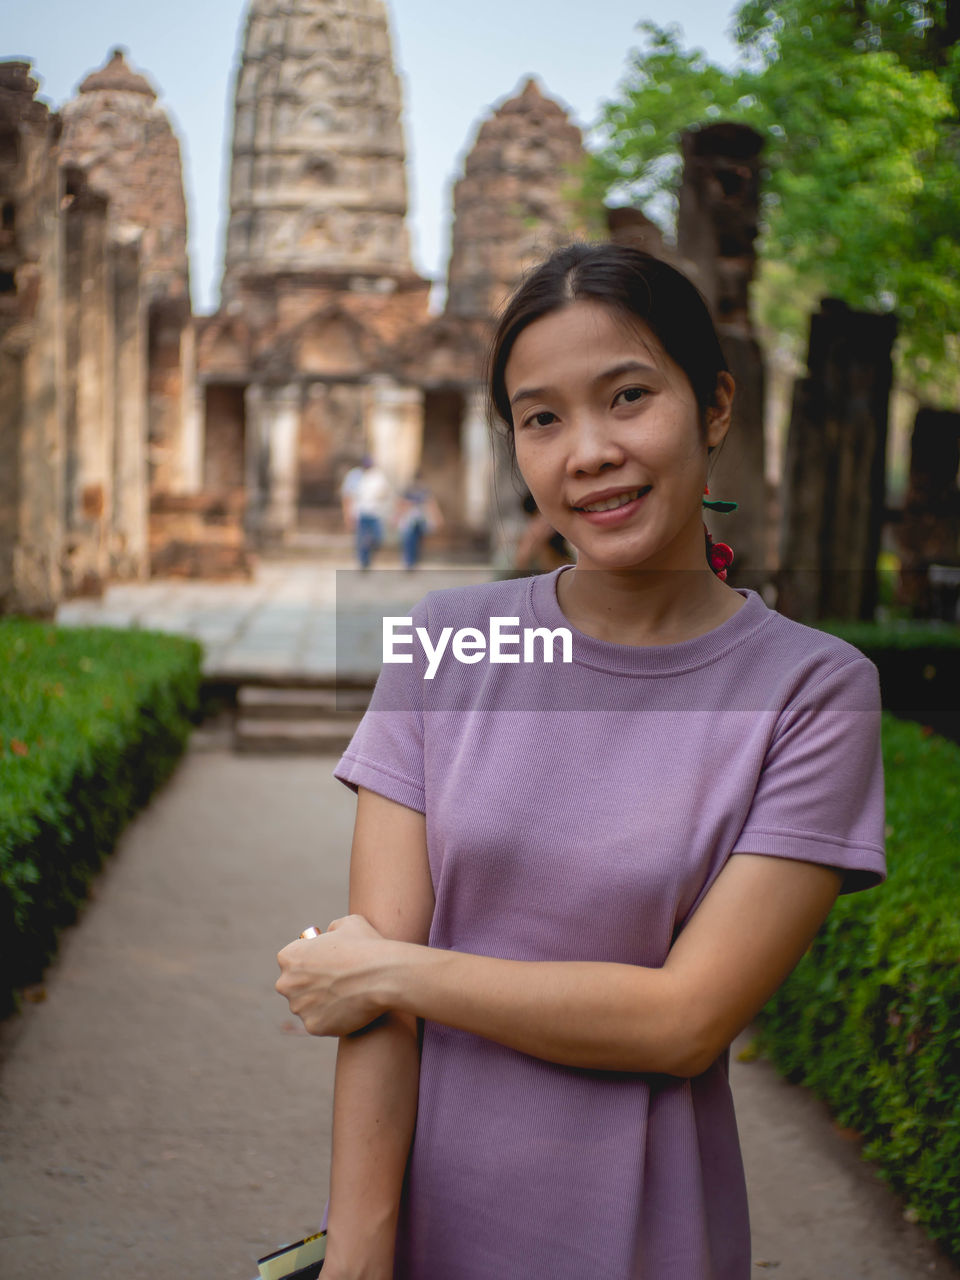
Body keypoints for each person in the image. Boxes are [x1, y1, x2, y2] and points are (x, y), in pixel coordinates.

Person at [276, 244, 887, 1279]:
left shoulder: (811, 690)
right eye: (542, 417)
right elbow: (372, 1022)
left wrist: (387, 966)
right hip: (424, 1224)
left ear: (717, 408)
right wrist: (361, 1247)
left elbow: (684, 1019)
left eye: (630, 396)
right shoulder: (450, 640)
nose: (589, 451)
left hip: (643, 1234)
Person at [345, 456, 393, 570]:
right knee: (361, 539)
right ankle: (364, 562)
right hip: (362, 513)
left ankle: (369, 554)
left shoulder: (378, 477)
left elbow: (386, 493)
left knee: (377, 537)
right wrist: (349, 514)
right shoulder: (356, 477)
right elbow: (350, 496)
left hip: (375, 513)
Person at [395, 472, 443, 570]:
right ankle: (410, 561)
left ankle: (412, 561)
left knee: (415, 540)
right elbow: (402, 503)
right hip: (411, 518)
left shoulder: (421, 490)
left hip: (419, 519)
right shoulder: (414, 490)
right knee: (411, 540)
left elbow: (431, 503)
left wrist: (437, 517)